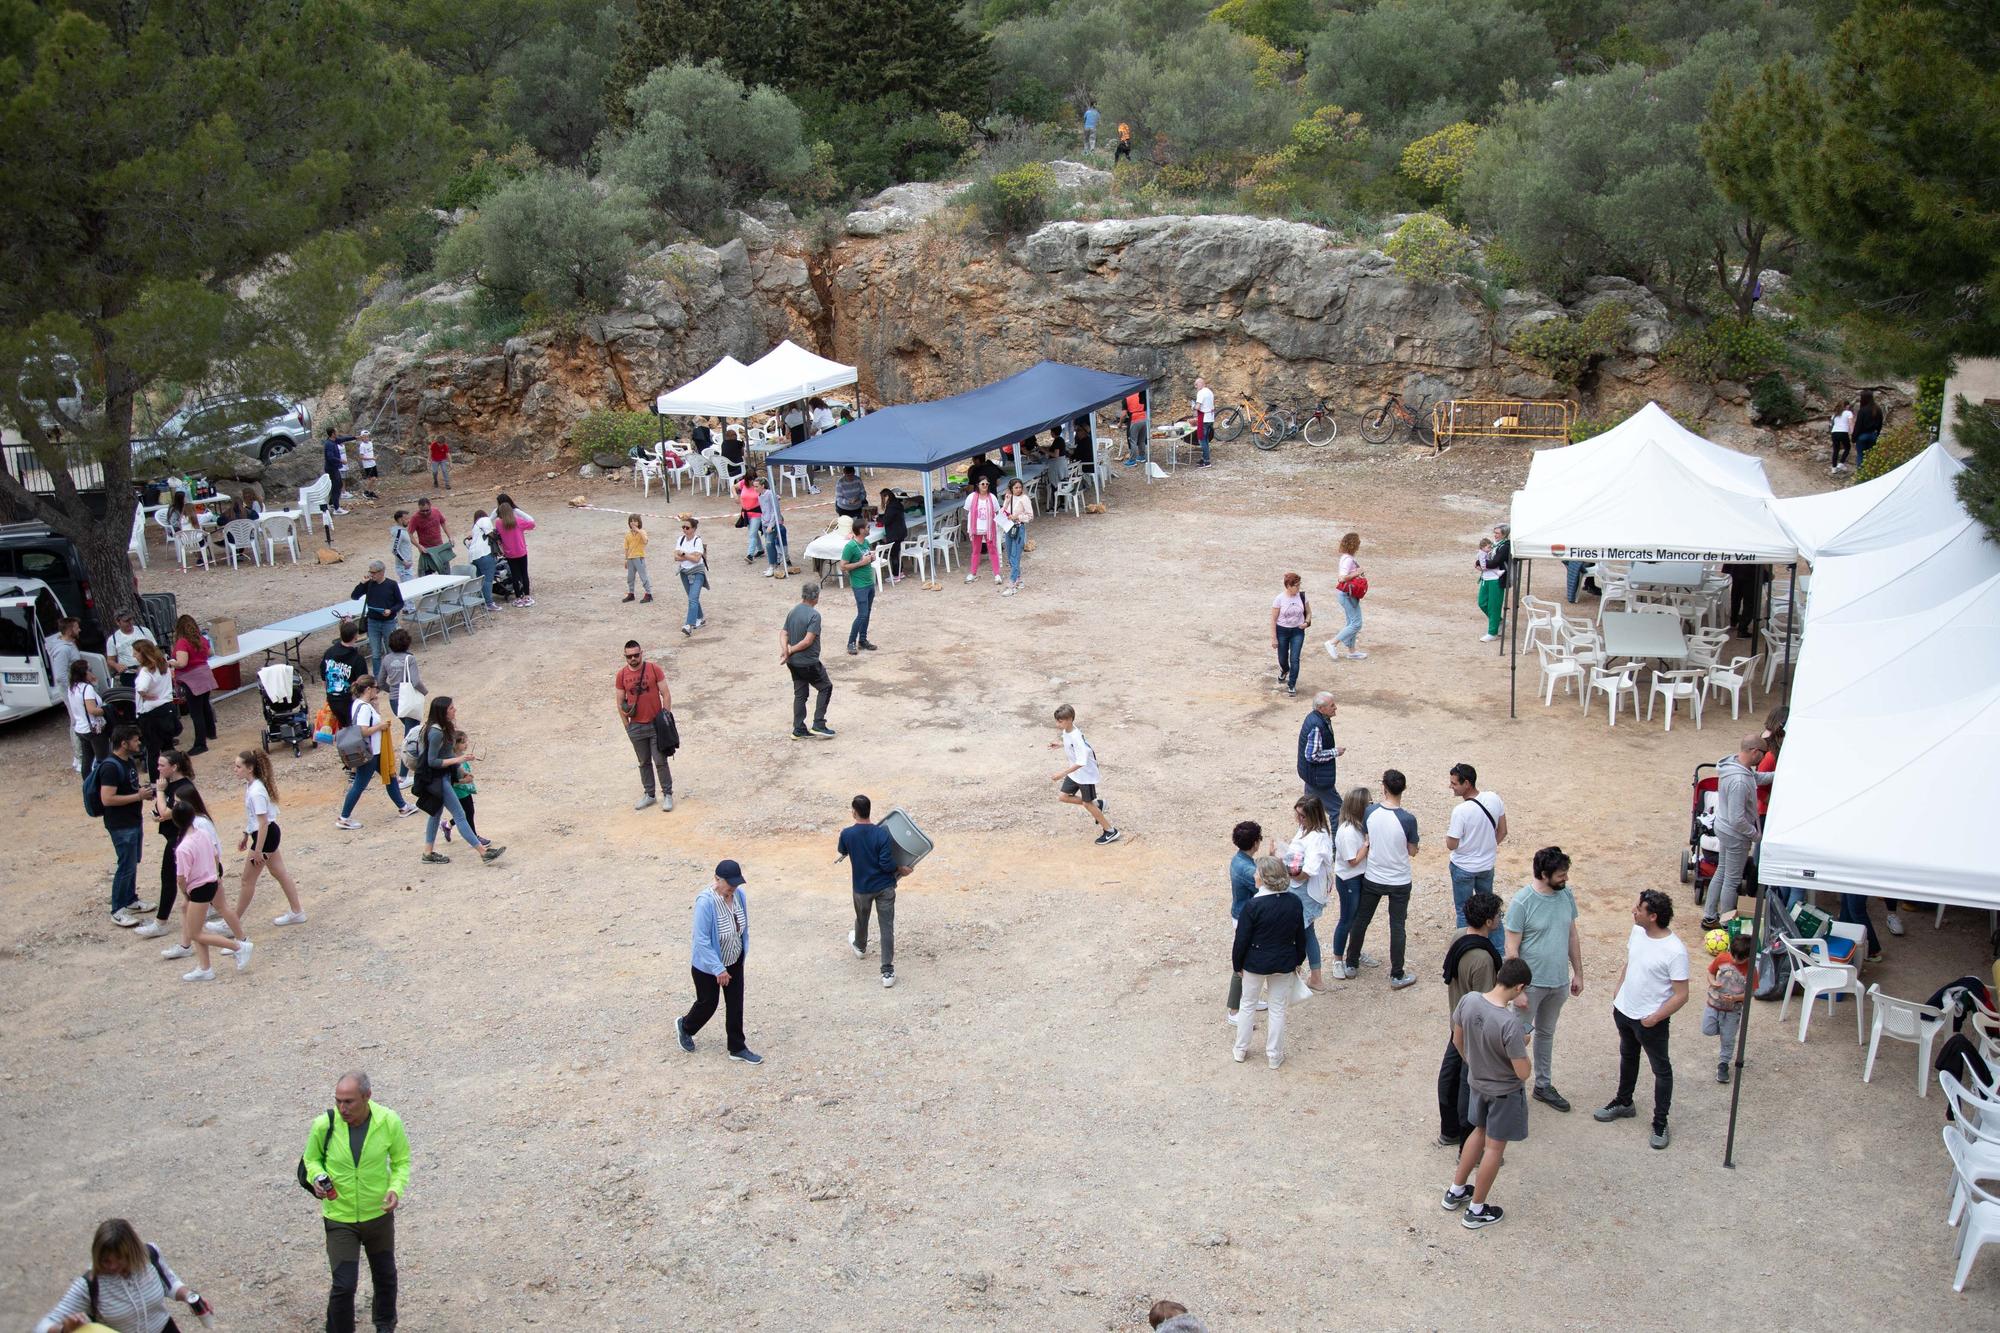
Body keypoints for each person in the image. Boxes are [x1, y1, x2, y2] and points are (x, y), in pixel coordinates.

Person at [302, 1070, 411, 1333]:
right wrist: (316, 1176)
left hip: (378, 1216)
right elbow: (311, 1159)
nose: (342, 1108)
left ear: (367, 1097)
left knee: (385, 1276)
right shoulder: (324, 1125)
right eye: (338, 1100)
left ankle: (385, 1326)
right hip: (340, 1217)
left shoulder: (388, 1121)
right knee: (344, 1285)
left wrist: (395, 1189)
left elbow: (401, 1162)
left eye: (349, 1101)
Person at [1441, 957, 1534, 1230]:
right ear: (1519, 987)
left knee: (1477, 1132)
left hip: (1477, 1083)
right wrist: (1523, 1042)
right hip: (1503, 1092)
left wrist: (1473, 1063)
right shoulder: (1510, 1025)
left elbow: (1457, 1039)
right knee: (1494, 1146)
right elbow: (1522, 1072)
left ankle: (1456, 1190)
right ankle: (1477, 1209)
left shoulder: (1469, 1000)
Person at [1592, 890, 1689, 1149]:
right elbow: (1630, 962)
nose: (1633, 911)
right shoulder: (1637, 932)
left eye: (1639, 909)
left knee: (1661, 1070)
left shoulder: (1675, 951)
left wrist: (1655, 1017)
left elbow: (1682, 995)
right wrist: (1618, 990)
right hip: (1625, 1011)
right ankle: (1624, 1102)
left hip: (1650, 1020)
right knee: (1628, 1055)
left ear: (1653, 916)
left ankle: (1660, 1122)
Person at [1504, 845, 1582, 1113]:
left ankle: (1543, 1085)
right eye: (1561, 875)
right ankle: (1509, 1090)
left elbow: (1572, 935)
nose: (1566, 879)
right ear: (1544, 873)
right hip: (1531, 986)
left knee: (1546, 1034)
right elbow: (1511, 950)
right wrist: (1518, 990)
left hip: (1558, 982)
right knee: (1517, 1037)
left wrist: (1578, 973)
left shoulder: (1566, 896)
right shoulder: (1522, 902)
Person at [33, 1218, 212, 1333]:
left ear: (133, 1252)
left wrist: (189, 1297)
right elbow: (41, 1327)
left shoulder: (149, 1256)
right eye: (105, 1261)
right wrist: (64, 1329)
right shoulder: (89, 1284)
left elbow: (170, 1284)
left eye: (120, 1259)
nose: (112, 1266)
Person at [675, 860, 762, 1063]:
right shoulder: (705, 902)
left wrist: (741, 955)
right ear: (716, 879)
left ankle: (737, 1047)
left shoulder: (739, 895)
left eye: (736, 883)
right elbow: (702, 940)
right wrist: (718, 968)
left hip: (734, 959)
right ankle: (685, 1026)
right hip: (708, 967)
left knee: (735, 1004)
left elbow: (742, 928)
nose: (733, 887)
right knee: (708, 1003)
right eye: (729, 883)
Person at [1439, 891, 1504, 1147]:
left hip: (1455, 1020)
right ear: (1488, 922)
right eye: (1497, 915)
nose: (1499, 919)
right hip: (1472, 1030)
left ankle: (1449, 1131)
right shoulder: (1484, 960)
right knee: (1471, 1085)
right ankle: (1469, 1144)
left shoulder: (1459, 937)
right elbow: (1485, 1004)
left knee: (1449, 1074)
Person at [1342, 769, 1419, 987]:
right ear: (1402, 789)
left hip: (1374, 876)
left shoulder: (1370, 812)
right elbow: (1412, 851)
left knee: (1362, 919)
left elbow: (1368, 837)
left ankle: (1351, 963)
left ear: (1383, 787)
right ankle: (1397, 974)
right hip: (1399, 880)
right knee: (1397, 926)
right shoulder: (1408, 819)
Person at [1231, 855, 1308, 1068]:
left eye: (1258, 872)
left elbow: (1242, 940)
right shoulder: (1294, 902)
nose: (1255, 875)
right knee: (1277, 1009)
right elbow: (1300, 935)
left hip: (1255, 963)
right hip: (1284, 961)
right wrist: (1298, 960)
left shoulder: (1253, 906)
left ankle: (1241, 1049)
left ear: (1265, 878)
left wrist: (1237, 965)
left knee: (1247, 1005)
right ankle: (1274, 1055)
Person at [414, 697, 505, 864]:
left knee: (435, 815)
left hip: (441, 778)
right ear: (442, 712)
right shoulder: (435, 733)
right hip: (437, 780)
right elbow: (432, 761)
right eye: (451, 708)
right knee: (460, 814)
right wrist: (459, 761)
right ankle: (483, 852)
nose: (454, 710)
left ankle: (428, 853)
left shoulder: (442, 729)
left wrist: (461, 772)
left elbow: (447, 754)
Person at [171, 798, 249, 981]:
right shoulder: (203, 834)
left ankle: (238, 947)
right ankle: (205, 967)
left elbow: (181, 878)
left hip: (198, 889)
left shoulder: (183, 848)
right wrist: (215, 875)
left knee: (194, 932)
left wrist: (186, 894)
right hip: (211, 881)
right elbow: (214, 855)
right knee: (200, 925)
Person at [839, 794, 912, 988]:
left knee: (861, 918)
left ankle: (860, 946)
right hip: (884, 887)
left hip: (862, 888)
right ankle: (887, 971)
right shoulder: (882, 833)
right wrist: (900, 869)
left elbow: (843, 850)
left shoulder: (847, 834)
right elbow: (886, 863)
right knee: (886, 927)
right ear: (869, 811)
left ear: (854, 812)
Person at [140, 748, 205, 943]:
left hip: (180, 839)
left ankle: (161, 922)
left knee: (169, 878)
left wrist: (159, 792)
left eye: (162, 765)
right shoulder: (172, 784)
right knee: (191, 877)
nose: (158, 768)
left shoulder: (181, 787)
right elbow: (165, 814)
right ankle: (208, 907)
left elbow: (166, 811)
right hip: (176, 836)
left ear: (174, 767)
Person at [235, 748, 306, 926]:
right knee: (279, 873)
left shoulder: (256, 791)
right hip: (267, 835)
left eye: (238, 767)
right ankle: (297, 911)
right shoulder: (253, 786)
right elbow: (256, 819)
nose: (235, 770)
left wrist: (258, 850)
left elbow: (263, 822)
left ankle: (232, 922)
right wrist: (246, 833)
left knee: (247, 880)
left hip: (265, 837)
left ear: (249, 768)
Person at [1702, 734, 1766, 929]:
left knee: (1721, 872)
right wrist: (1756, 836)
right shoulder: (1739, 781)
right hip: (1735, 835)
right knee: (1732, 880)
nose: (1763, 759)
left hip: (1723, 828)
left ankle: (1709, 916)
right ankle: (1726, 921)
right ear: (1755, 752)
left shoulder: (1733, 765)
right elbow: (1737, 819)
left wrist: (1779, 775)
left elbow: (1756, 778)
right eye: (1762, 754)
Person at [335, 676, 415, 829]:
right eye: (375, 688)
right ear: (368, 689)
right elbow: (364, 731)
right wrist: (381, 727)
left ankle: (403, 807)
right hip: (371, 751)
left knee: (390, 776)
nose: (377, 691)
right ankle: (344, 817)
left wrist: (376, 707)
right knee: (360, 784)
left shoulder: (359, 704)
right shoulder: (364, 708)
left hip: (374, 751)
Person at [1445, 762, 1507, 949]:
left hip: (1463, 867)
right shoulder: (1494, 798)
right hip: (1486, 866)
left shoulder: (1461, 811)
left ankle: (1467, 950)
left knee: (1464, 911)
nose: (1451, 787)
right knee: (1490, 909)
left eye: (1454, 783)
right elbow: (1502, 831)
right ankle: (1498, 951)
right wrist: (1486, 847)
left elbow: (1451, 844)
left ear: (1467, 783)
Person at [98, 725, 154, 927]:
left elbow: (129, 788)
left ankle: (130, 900)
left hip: (133, 820)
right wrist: (137, 796)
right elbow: (107, 799)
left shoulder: (128, 762)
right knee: (125, 865)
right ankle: (118, 909)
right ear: (124, 743)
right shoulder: (110, 767)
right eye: (135, 740)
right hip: (121, 825)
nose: (139, 743)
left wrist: (142, 792)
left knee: (132, 862)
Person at [1282, 795, 1334, 991]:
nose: (1298, 819)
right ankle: (1314, 976)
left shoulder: (1318, 838)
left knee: (1300, 933)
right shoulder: (1307, 829)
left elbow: (1306, 873)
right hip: (1300, 889)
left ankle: (1299, 975)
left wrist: (1287, 871)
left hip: (1306, 892)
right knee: (1306, 931)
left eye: (1302, 816)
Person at [616, 640, 674, 812]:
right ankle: (649, 794)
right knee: (643, 762)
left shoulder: (653, 669)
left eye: (636, 655)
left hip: (656, 725)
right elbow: (619, 703)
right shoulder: (621, 675)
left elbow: (666, 693)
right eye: (629, 656)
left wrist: (665, 717)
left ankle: (668, 794)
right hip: (636, 727)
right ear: (625, 656)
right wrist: (627, 727)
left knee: (660, 761)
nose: (633, 658)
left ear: (642, 653)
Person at [1050, 702, 1118, 844]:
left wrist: (1061, 774)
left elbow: (1082, 762)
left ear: (1069, 720)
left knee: (1088, 805)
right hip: (1076, 773)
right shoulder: (1067, 731)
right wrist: (1061, 744)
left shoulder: (1075, 736)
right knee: (1063, 797)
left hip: (1085, 774)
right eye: (1057, 721)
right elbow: (1073, 745)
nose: (1057, 724)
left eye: (1060, 721)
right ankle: (1097, 805)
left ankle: (1110, 831)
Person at [780, 583, 834, 739]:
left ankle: (799, 728)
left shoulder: (793, 611)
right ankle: (819, 724)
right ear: (816, 596)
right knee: (825, 687)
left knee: (800, 694)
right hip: (808, 662)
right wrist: (789, 650)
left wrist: (786, 650)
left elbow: (784, 633)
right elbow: (807, 641)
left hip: (793, 663)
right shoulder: (814, 615)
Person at [1329, 785, 1373, 968]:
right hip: (1349, 879)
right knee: (1346, 919)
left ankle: (1354, 952)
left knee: (1358, 919)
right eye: (1369, 803)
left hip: (1360, 876)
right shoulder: (1347, 832)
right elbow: (1352, 861)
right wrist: (1367, 845)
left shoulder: (1359, 826)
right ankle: (1338, 960)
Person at [1224, 820, 1263, 1022]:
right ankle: (1233, 1011)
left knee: (1246, 961)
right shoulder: (1248, 869)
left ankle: (1250, 999)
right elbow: (1262, 888)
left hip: (1241, 914)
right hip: (1245, 918)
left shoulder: (1239, 859)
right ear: (1256, 843)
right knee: (1243, 963)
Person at [1704, 932, 1754, 1084]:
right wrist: (1713, 982)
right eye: (1734, 956)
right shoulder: (1722, 958)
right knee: (1707, 1029)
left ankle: (1723, 1064)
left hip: (1733, 1010)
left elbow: (1750, 992)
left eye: (1741, 958)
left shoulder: (1751, 969)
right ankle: (1724, 1030)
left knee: (1728, 1039)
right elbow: (1710, 972)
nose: (1736, 960)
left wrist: (1735, 998)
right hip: (1714, 1004)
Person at [167, 615, 217, 755]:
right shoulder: (201, 639)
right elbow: (210, 653)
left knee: (196, 713)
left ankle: (200, 743)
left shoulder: (182, 642)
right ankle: (211, 732)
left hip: (192, 678)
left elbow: (182, 663)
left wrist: (171, 662)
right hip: (205, 674)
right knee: (205, 706)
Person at [131, 639, 177, 782]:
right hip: (167, 708)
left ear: (143, 654)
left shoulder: (146, 671)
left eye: (136, 653)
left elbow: (141, 689)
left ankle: (155, 781)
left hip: (150, 713)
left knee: (153, 750)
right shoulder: (163, 664)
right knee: (168, 746)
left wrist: (145, 695)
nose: (134, 656)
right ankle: (174, 774)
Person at [351, 561, 404, 677]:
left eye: (373, 572)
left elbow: (400, 603)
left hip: (388, 622)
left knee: (391, 651)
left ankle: (393, 674)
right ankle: (378, 677)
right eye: (370, 572)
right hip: (373, 622)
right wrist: (361, 583)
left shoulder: (391, 584)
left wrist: (391, 610)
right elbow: (354, 596)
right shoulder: (369, 584)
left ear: (381, 572)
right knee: (375, 653)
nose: (371, 575)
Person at [1295, 690, 1342, 808]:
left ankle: (1310, 826)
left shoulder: (1315, 718)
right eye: (1332, 705)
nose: (1335, 708)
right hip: (1318, 777)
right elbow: (1312, 756)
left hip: (1311, 774)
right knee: (1338, 811)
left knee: (1310, 808)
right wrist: (1335, 752)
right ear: (1321, 708)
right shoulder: (1317, 725)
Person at [376, 630, 426, 741]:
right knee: (411, 732)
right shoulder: (410, 658)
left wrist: (392, 690)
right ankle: (407, 757)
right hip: (409, 698)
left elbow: (380, 682)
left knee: (411, 728)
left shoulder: (386, 659)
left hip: (394, 700)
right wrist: (424, 692)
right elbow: (416, 682)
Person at [839, 518, 877, 653]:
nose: (869, 529)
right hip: (859, 585)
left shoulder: (866, 542)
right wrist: (861, 563)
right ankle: (851, 642)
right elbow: (843, 566)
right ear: (861, 530)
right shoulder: (850, 547)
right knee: (862, 614)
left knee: (867, 613)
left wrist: (871, 557)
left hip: (869, 583)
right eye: (867, 527)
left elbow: (866, 558)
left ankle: (863, 640)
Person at [1330, 532, 1367, 660]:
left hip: (1348, 594)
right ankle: (1332, 643)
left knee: (1351, 622)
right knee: (1356, 623)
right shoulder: (1348, 560)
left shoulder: (1347, 558)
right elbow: (1342, 578)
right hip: (1347, 595)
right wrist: (1357, 573)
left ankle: (1352, 651)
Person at [1271, 573, 1310, 697]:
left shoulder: (1302, 597)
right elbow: (1273, 619)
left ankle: (1292, 684)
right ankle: (1284, 669)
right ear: (1288, 586)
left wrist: (1307, 622)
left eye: (1299, 585)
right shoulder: (1279, 599)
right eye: (1296, 586)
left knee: (1295, 658)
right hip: (1282, 630)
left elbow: (1308, 613)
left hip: (1297, 631)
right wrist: (1274, 637)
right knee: (1282, 657)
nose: (1298, 588)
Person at [66, 658, 108, 770]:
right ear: (84, 673)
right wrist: (107, 709)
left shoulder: (72, 687)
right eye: (89, 670)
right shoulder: (87, 688)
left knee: (87, 759)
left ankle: (88, 784)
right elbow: (92, 710)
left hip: (81, 728)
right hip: (93, 729)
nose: (92, 672)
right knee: (102, 759)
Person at [320, 620, 367, 715]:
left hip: (332, 699)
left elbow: (324, 678)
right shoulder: (358, 659)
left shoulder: (329, 652)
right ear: (356, 637)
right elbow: (363, 684)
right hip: (350, 702)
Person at [493, 501, 535, 606]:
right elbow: (532, 523)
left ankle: (518, 598)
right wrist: (519, 511)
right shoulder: (518, 521)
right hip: (521, 551)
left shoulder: (498, 523)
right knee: (524, 574)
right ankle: (527, 597)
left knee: (515, 575)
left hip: (509, 553)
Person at [963, 476, 1003, 585]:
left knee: (992, 550)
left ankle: (997, 574)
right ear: (978, 485)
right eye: (982, 484)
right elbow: (967, 511)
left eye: (986, 484)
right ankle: (973, 572)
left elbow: (996, 511)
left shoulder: (992, 497)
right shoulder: (971, 497)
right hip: (976, 529)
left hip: (989, 528)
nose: (985, 486)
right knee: (976, 551)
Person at [675, 515, 707, 635]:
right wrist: (689, 555)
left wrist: (684, 554)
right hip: (684, 572)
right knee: (692, 597)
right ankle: (701, 618)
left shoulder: (697, 541)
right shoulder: (681, 539)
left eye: (687, 528)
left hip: (697, 572)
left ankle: (689, 624)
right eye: (683, 527)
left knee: (692, 599)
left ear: (693, 529)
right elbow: (675, 556)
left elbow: (697, 558)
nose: (684, 530)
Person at [1477, 523, 1509, 641]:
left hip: (1496, 579)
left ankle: (1492, 632)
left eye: (1497, 533)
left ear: (1504, 534)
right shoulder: (1494, 544)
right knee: (1482, 602)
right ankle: (1499, 621)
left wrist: (1482, 563)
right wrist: (1479, 563)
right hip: (1486, 577)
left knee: (1494, 606)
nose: (1495, 535)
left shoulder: (1505, 546)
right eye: (1494, 533)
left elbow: (1495, 561)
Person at [1000, 477, 1033, 595]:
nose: (1018, 490)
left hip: (1019, 528)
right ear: (1011, 488)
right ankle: (1018, 578)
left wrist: (1017, 517)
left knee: (1015, 555)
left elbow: (1030, 516)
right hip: (1009, 528)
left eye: (1020, 487)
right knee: (1009, 554)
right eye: (1016, 488)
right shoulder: (1009, 498)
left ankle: (1012, 583)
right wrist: (1007, 501)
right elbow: (1003, 512)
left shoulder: (1024, 499)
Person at [107, 608, 156, 683]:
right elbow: (110, 660)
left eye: (131, 619)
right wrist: (116, 666)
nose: (130, 623)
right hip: (128, 674)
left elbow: (155, 649)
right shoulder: (113, 639)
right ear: (118, 622)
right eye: (126, 621)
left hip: (148, 670)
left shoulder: (144, 631)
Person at [464, 509, 498, 611]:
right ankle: (489, 603)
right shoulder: (485, 520)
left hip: (474, 556)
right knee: (487, 579)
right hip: (484, 553)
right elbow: (490, 533)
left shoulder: (475, 527)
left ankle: (481, 600)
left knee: (480, 579)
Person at [758, 474, 790, 579]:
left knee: (769, 544)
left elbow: (774, 511)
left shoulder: (769, 494)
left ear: (762, 486)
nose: (754, 488)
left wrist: (771, 525)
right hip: (765, 523)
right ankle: (774, 563)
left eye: (756, 486)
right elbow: (765, 510)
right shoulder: (760, 495)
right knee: (770, 545)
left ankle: (773, 565)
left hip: (772, 524)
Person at [409, 498, 451, 574]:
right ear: (419, 508)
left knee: (446, 573)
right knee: (427, 575)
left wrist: (450, 537)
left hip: (440, 547)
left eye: (427, 510)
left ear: (430, 506)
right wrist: (419, 546)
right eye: (422, 511)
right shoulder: (415, 518)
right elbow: (410, 534)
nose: (425, 513)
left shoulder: (436, 512)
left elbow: (443, 523)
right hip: (426, 550)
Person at [619, 513, 653, 604]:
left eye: (635, 521)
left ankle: (648, 594)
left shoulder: (642, 532)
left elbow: (645, 541)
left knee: (643, 576)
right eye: (631, 521)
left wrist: (638, 530)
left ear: (639, 523)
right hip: (630, 558)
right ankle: (631, 593)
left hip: (639, 558)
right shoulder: (627, 535)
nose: (633, 523)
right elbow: (626, 547)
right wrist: (626, 559)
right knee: (630, 577)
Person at [877, 489, 907, 585]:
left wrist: (878, 518)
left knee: (894, 555)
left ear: (886, 497)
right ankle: (900, 572)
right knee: (897, 553)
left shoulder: (891, 507)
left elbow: (887, 520)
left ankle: (895, 575)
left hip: (894, 534)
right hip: (900, 531)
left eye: (883, 498)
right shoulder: (897, 504)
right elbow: (888, 516)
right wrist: (880, 516)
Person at [1852, 388, 1884, 471]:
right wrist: (1877, 434)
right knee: (1870, 456)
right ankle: (1870, 473)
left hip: (1862, 436)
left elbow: (1858, 426)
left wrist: (1854, 438)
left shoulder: (1862, 410)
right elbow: (1880, 424)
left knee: (1860, 455)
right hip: (1873, 435)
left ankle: (1860, 474)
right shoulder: (1877, 409)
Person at [322, 427, 351, 515]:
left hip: (334, 468)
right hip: (331, 469)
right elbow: (330, 457)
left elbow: (344, 439)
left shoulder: (334, 441)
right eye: (336, 431)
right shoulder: (329, 444)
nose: (337, 432)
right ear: (333, 434)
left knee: (337, 485)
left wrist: (356, 437)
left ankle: (332, 504)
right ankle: (337, 508)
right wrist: (341, 460)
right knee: (336, 487)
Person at [739, 474, 766, 562]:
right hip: (746, 513)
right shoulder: (743, 483)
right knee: (753, 533)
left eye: (752, 479)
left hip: (756, 513)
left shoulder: (759, 485)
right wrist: (735, 495)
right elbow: (733, 487)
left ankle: (750, 555)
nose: (751, 482)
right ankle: (760, 549)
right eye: (749, 479)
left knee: (752, 534)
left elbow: (766, 493)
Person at [1192, 376, 1215, 466]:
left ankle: (1206, 461)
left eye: (1196, 384)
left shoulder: (1201, 393)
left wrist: (1193, 407)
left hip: (1204, 419)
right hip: (1210, 418)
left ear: (1201, 383)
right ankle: (1204, 458)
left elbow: (1197, 406)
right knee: (1206, 440)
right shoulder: (1210, 392)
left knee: (1202, 440)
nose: (1195, 386)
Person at [1119, 389, 1147, 464]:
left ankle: (1132, 460)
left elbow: (1124, 414)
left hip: (1134, 419)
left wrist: (1120, 424)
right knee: (1141, 439)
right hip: (1144, 418)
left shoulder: (1126, 398)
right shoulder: (1141, 394)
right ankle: (1142, 456)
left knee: (1133, 441)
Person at [388, 510, 415, 581]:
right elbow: (394, 549)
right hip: (404, 568)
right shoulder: (399, 532)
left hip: (407, 566)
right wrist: (404, 562)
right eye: (406, 519)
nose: (408, 521)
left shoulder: (403, 531)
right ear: (400, 520)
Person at [1829, 399, 1854, 473]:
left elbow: (1831, 424)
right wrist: (1852, 432)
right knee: (1847, 447)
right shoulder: (1848, 413)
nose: (1849, 407)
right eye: (1848, 405)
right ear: (1846, 406)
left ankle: (1833, 468)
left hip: (1834, 432)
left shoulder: (1835, 414)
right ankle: (1841, 463)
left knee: (1836, 450)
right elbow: (1850, 423)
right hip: (1843, 432)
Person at [356, 430, 379, 499]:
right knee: (372, 479)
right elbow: (361, 457)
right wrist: (372, 458)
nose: (366, 438)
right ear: (362, 438)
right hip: (367, 465)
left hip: (373, 464)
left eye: (367, 437)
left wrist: (374, 458)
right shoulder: (362, 446)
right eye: (365, 437)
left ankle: (371, 492)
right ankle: (366, 492)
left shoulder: (370, 443)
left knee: (373, 479)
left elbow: (371, 452)